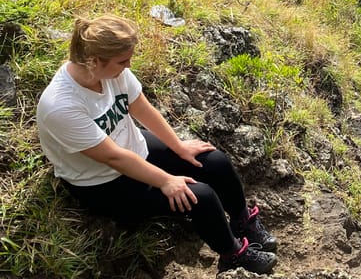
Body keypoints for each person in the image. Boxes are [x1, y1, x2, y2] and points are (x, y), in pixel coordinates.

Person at [36, 14, 278, 274]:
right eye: (122, 61)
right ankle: (232, 254)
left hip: (132, 148)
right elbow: (113, 158)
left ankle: (242, 222)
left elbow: (141, 108)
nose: (128, 66)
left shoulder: (112, 73)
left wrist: (179, 147)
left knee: (214, 161)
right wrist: (165, 180)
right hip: (101, 182)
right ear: (94, 61)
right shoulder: (61, 106)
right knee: (200, 196)